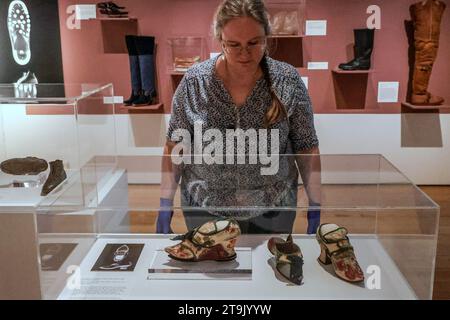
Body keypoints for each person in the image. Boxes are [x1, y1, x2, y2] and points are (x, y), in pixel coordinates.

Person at [157, 0, 321, 234]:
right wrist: (165, 203)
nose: (244, 53)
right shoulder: (196, 82)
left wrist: (315, 202)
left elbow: (306, 147)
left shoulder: (287, 80)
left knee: (271, 270)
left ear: (266, 36)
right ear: (220, 40)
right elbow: (175, 146)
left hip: (273, 209)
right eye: (233, 44)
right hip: (206, 210)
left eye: (254, 43)